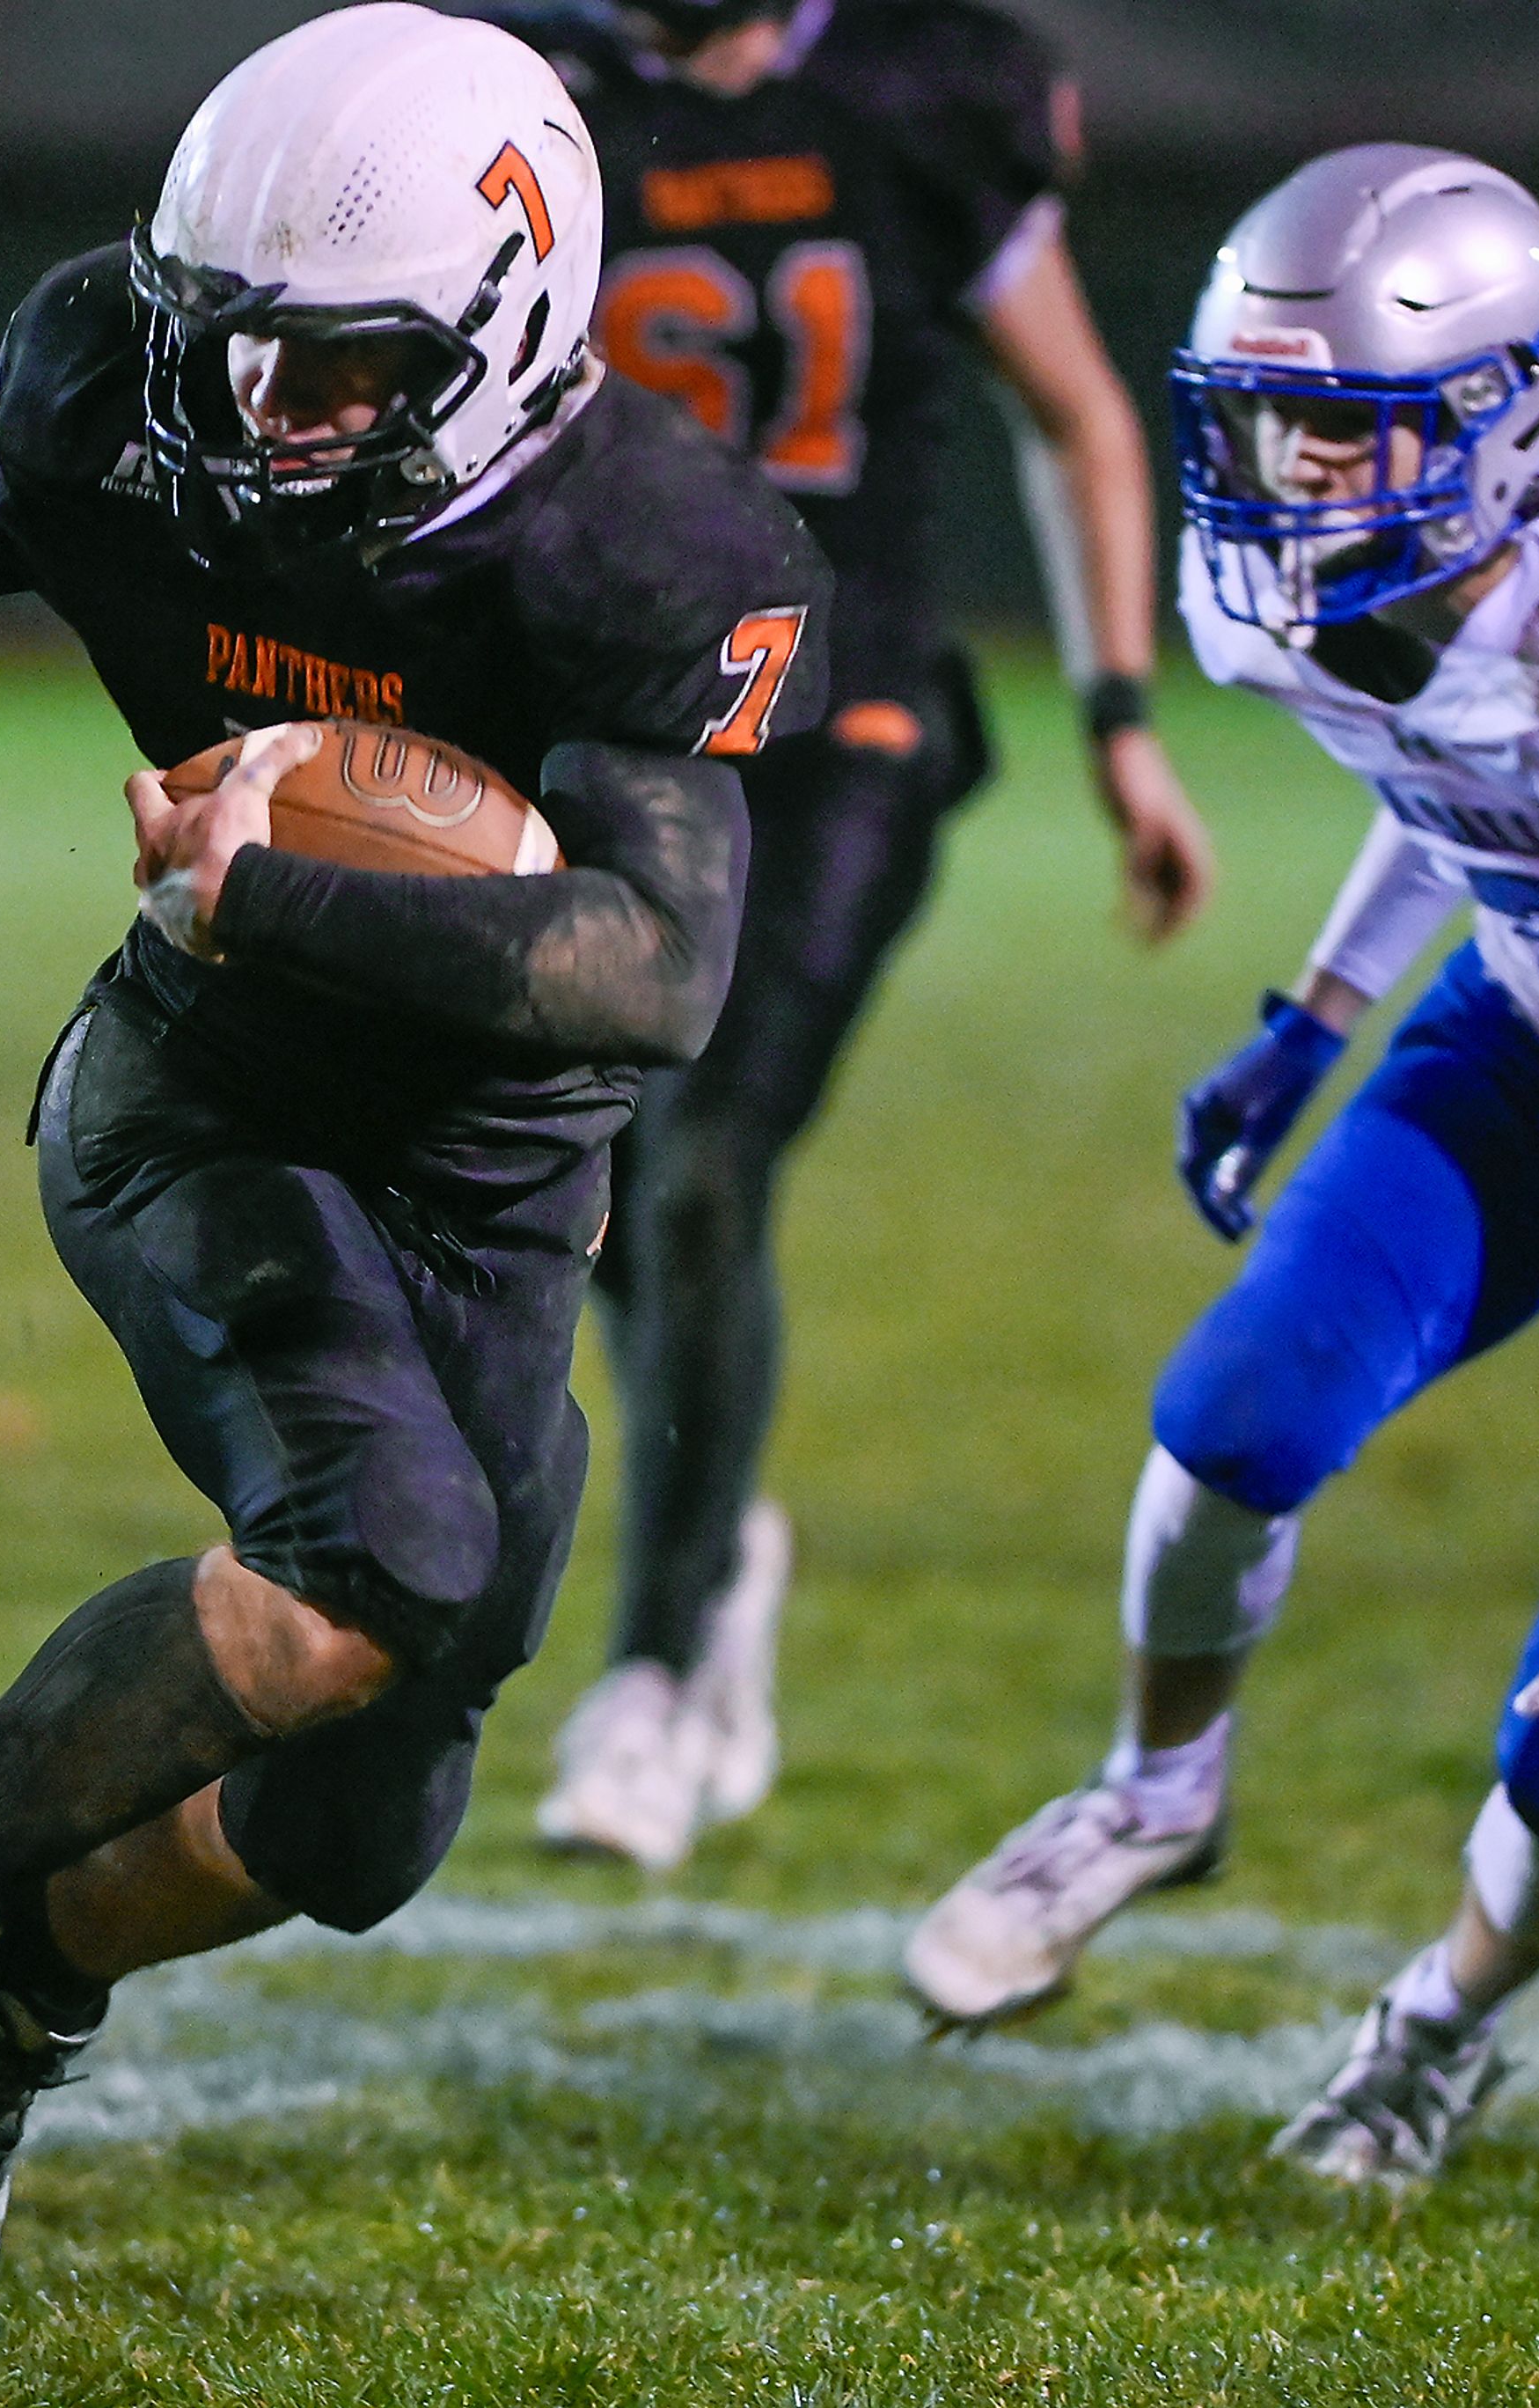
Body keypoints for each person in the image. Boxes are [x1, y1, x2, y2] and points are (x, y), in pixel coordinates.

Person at [0, 5, 825, 2307]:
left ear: (510, 319)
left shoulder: (642, 543)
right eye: (232, 341)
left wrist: (282, 879)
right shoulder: (117, 381)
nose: (267, 408)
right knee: (382, 1546)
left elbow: (658, 969)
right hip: (203, 1095)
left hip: (490, 1182)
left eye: (338, 362)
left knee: (369, 1814)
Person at [905, 146, 1539, 2186]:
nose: (1283, 479)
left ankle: (1433, 2020)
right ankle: (1150, 1787)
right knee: (1228, 1417)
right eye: (1260, 424)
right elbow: (1447, 778)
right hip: (1535, 1044)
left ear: (1502, 420)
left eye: (1338, 435)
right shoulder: (1285, 593)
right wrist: (1309, 1011)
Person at [473, 0, 1216, 1874]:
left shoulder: (913, 88)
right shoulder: (531, 94)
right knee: (611, 1186)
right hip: (616, 722)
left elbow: (1082, 418)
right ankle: (720, 1543)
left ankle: (648, 1680)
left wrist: (1121, 713)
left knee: (707, 1159)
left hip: (847, 719)